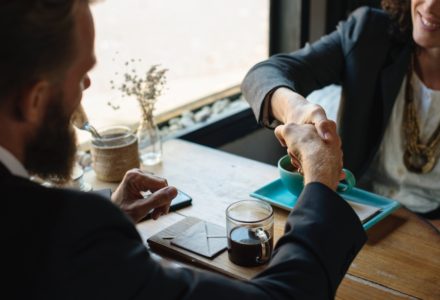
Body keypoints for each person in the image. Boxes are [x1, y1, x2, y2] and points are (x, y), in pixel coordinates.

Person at [1, 1, 366, 299]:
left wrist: (109, 217)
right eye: (81, 73)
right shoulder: (64, 234)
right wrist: (319, 176)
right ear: (35, 100)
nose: (87, 85)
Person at [242, 0, 440, 222]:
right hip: (358, 217)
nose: (430, 6)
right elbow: (262, 75)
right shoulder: (370, 32)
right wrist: (297, 110)